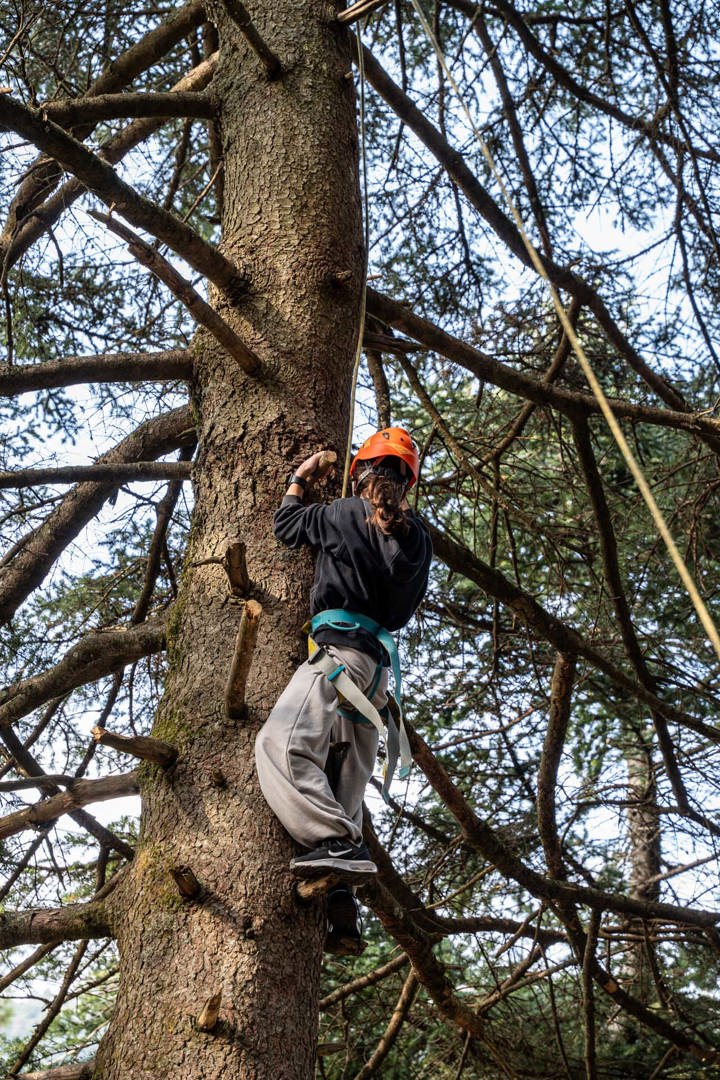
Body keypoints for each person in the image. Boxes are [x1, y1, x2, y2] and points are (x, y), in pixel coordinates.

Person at [255, 427, 432, 950]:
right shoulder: (419, 538)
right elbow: (402, 598)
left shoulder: (341, 513)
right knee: (345, 788)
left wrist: (300, 478)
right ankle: (342, 912)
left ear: (359, 474)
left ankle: (331, 843)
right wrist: (394, 530)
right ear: (406, 485)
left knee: (280, 745)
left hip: (341, 658)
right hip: (375, 678)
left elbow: (286, 526)